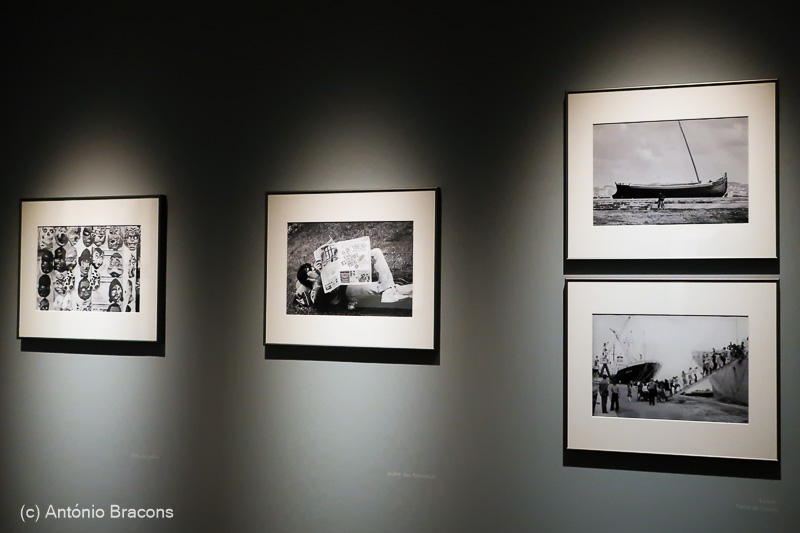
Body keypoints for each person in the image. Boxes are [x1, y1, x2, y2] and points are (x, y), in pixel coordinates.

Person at [295, 248, 412, 311]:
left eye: (311, 266)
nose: (313, 268)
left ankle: (389, 291)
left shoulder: (321, 274)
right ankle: (391, 291)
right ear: (308, 277)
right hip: (348, 291)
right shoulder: (314, 293)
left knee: (376, 252)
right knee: (387, 288)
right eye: (309, 269)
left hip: (352, 277)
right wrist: (321, 274)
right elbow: (319, 300)